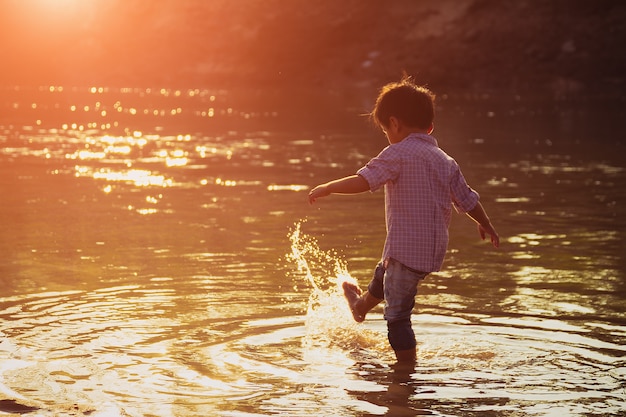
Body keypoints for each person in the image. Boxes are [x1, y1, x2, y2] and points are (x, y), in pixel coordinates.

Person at [308, 76, 500, 364]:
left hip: (405, 251)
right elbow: (469, 199)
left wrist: (330, 187)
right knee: (385, 273)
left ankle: (406, 374)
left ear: (394, 124)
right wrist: (485, 224)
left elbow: (364, 180)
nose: (387, 135)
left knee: (397, 316)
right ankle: (360, 307)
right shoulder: (445, 160)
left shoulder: (397, 153)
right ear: (430, 127)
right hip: (429, 252)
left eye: (386, 129)